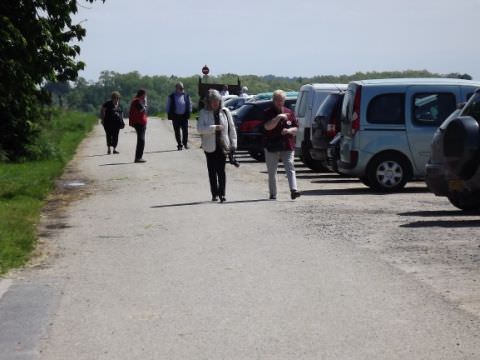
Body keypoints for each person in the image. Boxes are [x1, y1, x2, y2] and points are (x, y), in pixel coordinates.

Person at [197, 89, 237, 203]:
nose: (215, 103)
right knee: (212, 171)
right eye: (213, 101)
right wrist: (214, 128)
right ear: (208, 102)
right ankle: (214, 193)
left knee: (221, 170)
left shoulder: (225, 111)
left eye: (217, 101)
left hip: (223, 145)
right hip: (209, 146)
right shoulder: (203, 112)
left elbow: (232, 128)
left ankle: (222, 194)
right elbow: (200, 129)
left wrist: (234, 144)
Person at [263, 90, 301, 200]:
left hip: (287, 145)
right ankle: (273, 193)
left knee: (290, 166)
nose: (280, 103)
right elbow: (267, 127)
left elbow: (296, 128)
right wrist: (278, 117)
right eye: (278, 100)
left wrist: (289, 131)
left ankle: (294, 190)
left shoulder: (289, 112)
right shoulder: (267, 112)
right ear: (273, 101)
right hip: (272, 145)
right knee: (272, 171)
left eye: (282, 100)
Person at [166, 82, 192, 150]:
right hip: (175, 116)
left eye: (183, 88)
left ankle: (185, 143)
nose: (182, 89)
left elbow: (189, 103)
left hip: (184, 116)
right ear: (177, 88)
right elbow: (168, 105)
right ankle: (179, 144)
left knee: (185, 131)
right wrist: (168, 113)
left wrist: (189, 111)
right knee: (177, 131)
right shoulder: (171, 96)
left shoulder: (186, 95)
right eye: (181, 88)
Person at [129, 89, 148, 163]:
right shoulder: (136, 101)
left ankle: (139, 157)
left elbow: (144, 111)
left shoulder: (138, 101)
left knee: (141, 140)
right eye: (144, 95)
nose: (145, 97)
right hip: (138, 123)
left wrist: (144, 103)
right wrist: (145, 103)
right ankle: (138, 157)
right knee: (141, 140)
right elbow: (142, 110)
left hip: (141, 122)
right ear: (142, 94)